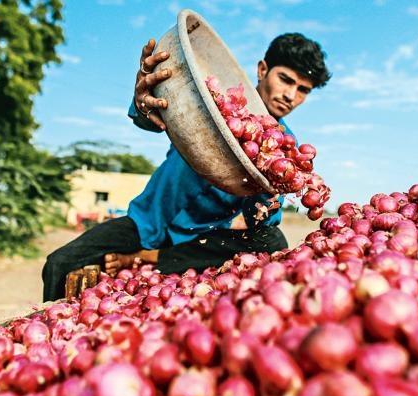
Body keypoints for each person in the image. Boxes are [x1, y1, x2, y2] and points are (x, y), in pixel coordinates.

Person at [42, 32, 331, 301]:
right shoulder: (214, 102)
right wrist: (144, 102)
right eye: (285, 79)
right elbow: (155, 116)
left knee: (273, 242)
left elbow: (261, 224)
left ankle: (148, 258)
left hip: (200, 239)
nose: (290, 95)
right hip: (146, 223)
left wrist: (268, 193)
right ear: (262, 69)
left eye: (302, 89)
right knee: (60, 263)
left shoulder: (285, 149)